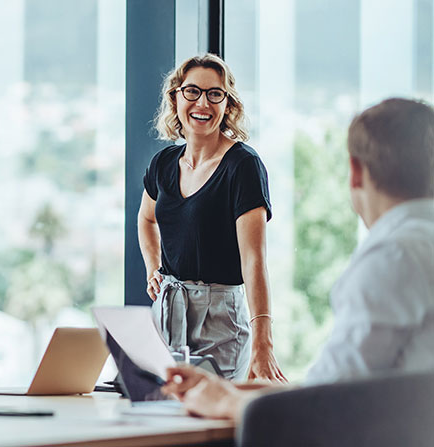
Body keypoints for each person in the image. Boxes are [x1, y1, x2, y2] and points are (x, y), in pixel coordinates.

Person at [162, 97, 434, 420]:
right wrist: (228, 389)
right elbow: (337, 385)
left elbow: (324, 405)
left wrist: (225, 402)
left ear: (356, 173)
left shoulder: (393, 259)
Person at [138, 53, 285, 381]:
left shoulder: (243, 166)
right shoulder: (163, 163)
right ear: (175, 97)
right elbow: (146, 219)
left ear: (228, 104)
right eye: (192, 91)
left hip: (219, 320)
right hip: (166, 312)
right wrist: (153, 268)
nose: (202, 103)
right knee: (162, 419)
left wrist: (264, 342)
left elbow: (254, 260)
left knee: (211, 424)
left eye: (214, 94)